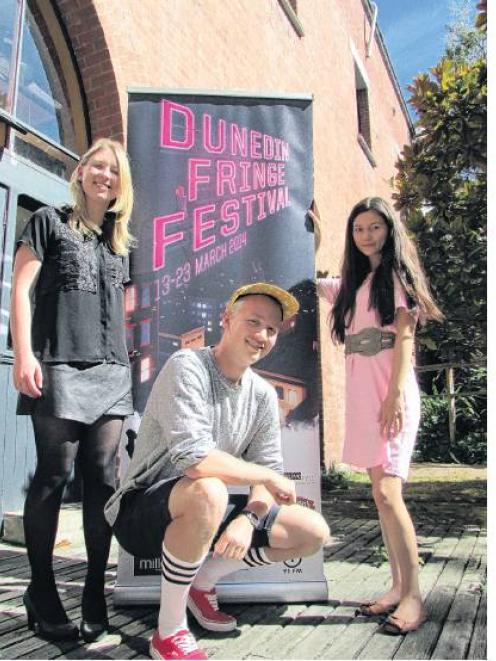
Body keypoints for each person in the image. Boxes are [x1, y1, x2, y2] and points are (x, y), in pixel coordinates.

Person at [105, 282, 330, 660]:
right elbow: (196, 461)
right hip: (141, 513)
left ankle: (202, 582)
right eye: (253, 321)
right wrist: (266, 478)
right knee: (208, 488)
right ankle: (169, 632)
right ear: (226, 320)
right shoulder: (188, 365)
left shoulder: (260, 393)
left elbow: (267, 468)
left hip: (209, 507)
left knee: (312, 533)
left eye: (272, 329)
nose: (262, 335)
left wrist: (249, 518)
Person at [10, 138, 134, 643]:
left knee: (104, 480)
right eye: (97, 166)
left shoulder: (121, 242)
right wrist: (23, 353)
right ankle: (41, 589)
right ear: (81, 171)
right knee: (55, 475)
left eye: (114, 170)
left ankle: (91, 591)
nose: (105, 175)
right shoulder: (48, 221)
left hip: (112, 370)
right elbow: (20, 287)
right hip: (59, 362)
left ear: (122, 184)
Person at [314, 197, 443, 635]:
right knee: (379, 495)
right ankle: (395, 587)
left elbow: (405, 338)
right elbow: (317, 283)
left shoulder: (395, 276)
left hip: (390, 393)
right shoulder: (355, 283)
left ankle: (413, 598)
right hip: (362, 397)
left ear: (389, 230)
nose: (366, 235)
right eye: (359, 229)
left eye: (374, 227)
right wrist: (311, 238)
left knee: (389, 493)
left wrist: (394, 398)